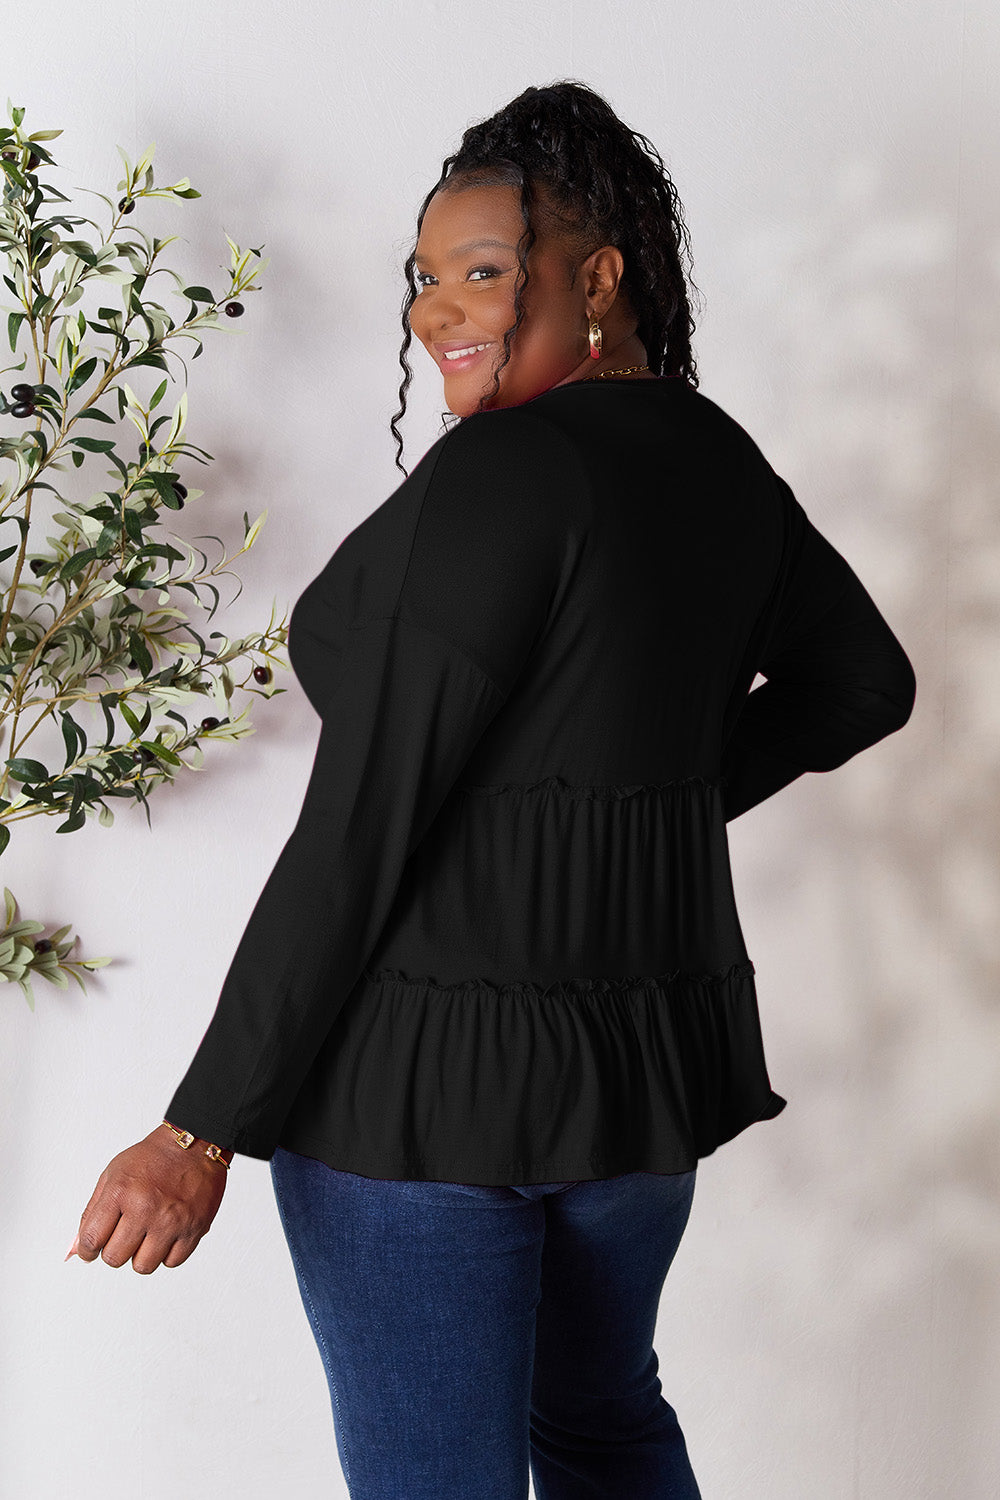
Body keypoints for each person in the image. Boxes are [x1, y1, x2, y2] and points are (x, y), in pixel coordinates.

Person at [68, 80, 917, 1500]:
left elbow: (358, 831)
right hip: (633, 1095)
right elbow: (864, 686)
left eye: (482, 271)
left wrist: (198, 1130)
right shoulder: (715, 461)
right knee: (605, 1428)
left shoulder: (511, 474)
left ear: (599, 278)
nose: (439, 311)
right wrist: (639, 807)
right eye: (424, 278)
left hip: (420, 1105)